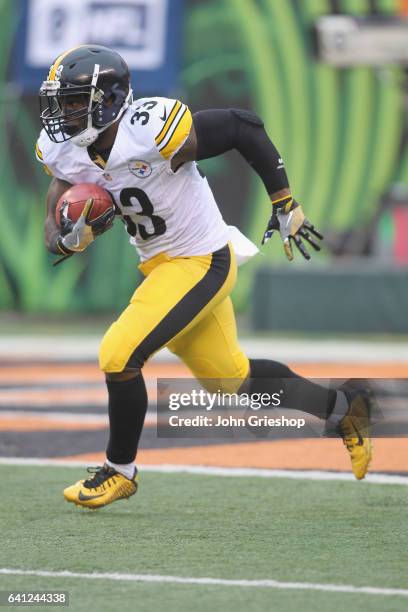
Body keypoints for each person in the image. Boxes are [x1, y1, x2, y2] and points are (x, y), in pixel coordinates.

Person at [36, 45, 372, 509]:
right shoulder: (66, 148)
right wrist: (63, 237)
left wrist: (284, 203)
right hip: (161, 264)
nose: (64, 113)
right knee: (233, 379)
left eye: (75, 101)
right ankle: (345, 409)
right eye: (61, 102)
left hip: (200, 260)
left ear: (110, 100)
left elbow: (242, 126)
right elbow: (58, 192)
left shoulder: (150, 130)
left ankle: (120, 470)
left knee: (118, 354)